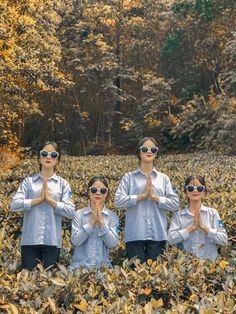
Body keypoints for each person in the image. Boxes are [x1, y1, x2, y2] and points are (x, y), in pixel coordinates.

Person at [10, 141, 75, 270]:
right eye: (44, 153)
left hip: (52, 242)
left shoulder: (63, 184)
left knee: (48, 283)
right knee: (28, 283)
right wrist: (38, 200)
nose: (48, 157)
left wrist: (50, 200)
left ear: (57, 160)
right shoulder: (28, 182)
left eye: (53, 154)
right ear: (39, 158)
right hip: (30, 240)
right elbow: (14, 205)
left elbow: (70, 212)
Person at [114, 137, 179, 263]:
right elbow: (118, 201)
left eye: (153, 149)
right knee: (135, 277)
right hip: (134, 234)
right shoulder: (128, 177)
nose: (149, 151)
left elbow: (175, 203)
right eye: (145, 149)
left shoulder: (163, 179)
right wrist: (140, 196)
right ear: (139, 152)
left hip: (158, 234)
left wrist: (156, 198)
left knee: (156, 277)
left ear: (156, 153)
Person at [168, 175, 228, 261]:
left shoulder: (213, 213)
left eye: (199, 188)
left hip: (211, 265)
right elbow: (170, 239)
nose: (195, 190)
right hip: (186, 265)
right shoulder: (178, 216)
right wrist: (191, 228)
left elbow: (223, 239)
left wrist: (204, 228)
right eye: (190, 188)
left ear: (204, 192)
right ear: (186, 193)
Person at [70, 175, 119, 270]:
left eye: (103, 190)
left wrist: (101, 222)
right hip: (79, 268)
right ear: (88, 192)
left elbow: (112, 244)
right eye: (94, 190)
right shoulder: (78, 215)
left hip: (103, 269)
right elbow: (75, 241)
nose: (98, 193)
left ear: (106, 193)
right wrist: (91, 222)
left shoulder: (112, 216)